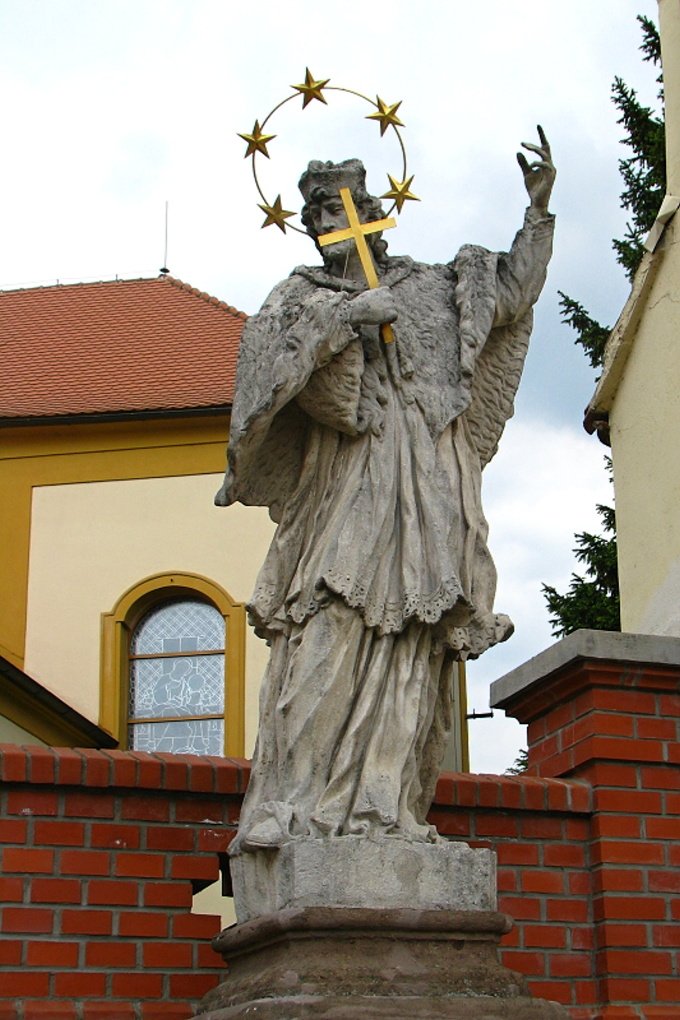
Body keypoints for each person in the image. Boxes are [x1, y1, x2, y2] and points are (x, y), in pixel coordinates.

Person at [216, 129, 555, 852]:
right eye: (319, 213)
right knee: (329, 624)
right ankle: (295, 801)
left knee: (413, 639)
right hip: (347, 479)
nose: (332, 222)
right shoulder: (299, 297)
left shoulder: (429, 285)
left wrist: (537, 213)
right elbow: (264, 376)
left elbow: (507, 295)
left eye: (344, 207)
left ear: (372, 211)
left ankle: (384, 806)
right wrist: (345, 319)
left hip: (429, 480)